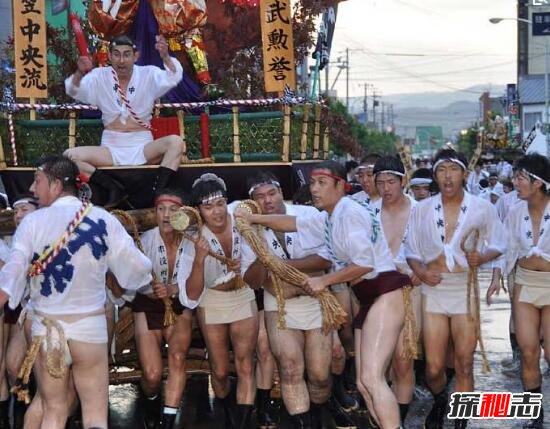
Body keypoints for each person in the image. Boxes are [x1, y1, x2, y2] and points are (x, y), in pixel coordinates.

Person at [235, 160, 411, 429]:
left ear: (341, 186)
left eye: (322, 183)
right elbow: (293, 222)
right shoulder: (331, 216)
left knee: (372, 379)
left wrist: (324, 280)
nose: (314, 189)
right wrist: (254, 219)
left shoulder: (349, 213)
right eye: (312, 183)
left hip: (384, 293)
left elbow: (365, 264)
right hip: (368, 297)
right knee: (363, 383)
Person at [0, 155, 153, 429]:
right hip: (90, 327)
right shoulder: (102, 219)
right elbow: (139, 269)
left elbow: (11, 274)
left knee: (53, 412)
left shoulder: (32, 223)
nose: (33, 189)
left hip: (48, 331)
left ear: (56, 184)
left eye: (37, 181)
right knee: (95, 413)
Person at [405, 149, 506, 429]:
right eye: (442, 170)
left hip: (464, 289)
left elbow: (499, 242)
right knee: (434, 367)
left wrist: (482, 257)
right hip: (434, 289)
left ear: (464, 174)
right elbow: (410, 250)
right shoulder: (422, 209)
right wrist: (421, 271)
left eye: (453, 169)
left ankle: (461, 420)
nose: (448, 176)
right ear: (435, 175)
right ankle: (440, 401)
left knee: (464, 363)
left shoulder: (481, 207)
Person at [243, 172, 347, 428]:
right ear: (253, 201)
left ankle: (319, 412)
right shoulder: (248, 229)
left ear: (281, 193)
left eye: (272, 193)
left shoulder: (308, 214)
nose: (268, 200)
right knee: (289, 368)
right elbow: (253, 281)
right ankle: (304, 423)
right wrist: (262, 255)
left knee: (320, 374)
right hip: (279, 305)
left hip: (315, 300)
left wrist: (279, 266)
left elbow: (325, 259)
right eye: (260, 196)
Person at [64, 34, 184, 207]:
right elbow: (74, 90)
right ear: (109, 56)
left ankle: (157, 191)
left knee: (176, 142)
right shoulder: (99, 76)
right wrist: (79, 72)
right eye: (117, 54)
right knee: (69, 156)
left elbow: (173, 76)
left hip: (142, 145)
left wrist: (165, 57)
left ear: (136, 56)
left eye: (126, 54)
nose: (121, 60)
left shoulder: (148, 74)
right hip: (111, 148)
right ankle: (112, 188)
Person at [178, 174, 258, 429]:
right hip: (211, 299)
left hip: (243, 293)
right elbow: (191, 295)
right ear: (198, 211)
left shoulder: (241, 221)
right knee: (220, 370)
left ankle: (241, 423)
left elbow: (258, 269)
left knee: (245, 364)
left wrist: (247, 264)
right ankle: (224, 411)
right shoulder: (193, 237)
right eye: (208, 206)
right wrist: (200, 259)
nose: (217, 211)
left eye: (220, 203)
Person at [488, 153, 550, 429]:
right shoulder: (515, 212)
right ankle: (535, 416)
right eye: (515, 177)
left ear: (538, 183)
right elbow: (505, 248)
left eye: (520, 178)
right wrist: (496, 278)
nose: (515, 182)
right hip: (525, 283)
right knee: (528, 351)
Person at [126, 188, 192, 429]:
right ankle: (151, 399)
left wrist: (174, 288)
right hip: (147, 304)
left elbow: (201, 278)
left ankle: (167, 422)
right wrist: (150, 289)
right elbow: (131, 279)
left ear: (183, 214)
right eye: (161, 209)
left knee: (178, 357)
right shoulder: (143, 241)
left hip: (180, 303)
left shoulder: (193, 241)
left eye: (173, 210)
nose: (166, 215)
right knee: (152, 375)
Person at [372, 156, 420, 425]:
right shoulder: (368, 211)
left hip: (409, 290)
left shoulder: (420, 211)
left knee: (403, 360)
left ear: (403, 181)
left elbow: (434, 248)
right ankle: (385, 412)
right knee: (378, 362)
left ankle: (400, 418)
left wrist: (419, 271)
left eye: (391, 181)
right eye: (380, 182)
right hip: (376, 291)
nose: (386, 188)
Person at [0, 195, 38, 428]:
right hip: (21, 309)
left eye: (24, 209)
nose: (18, 215)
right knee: (13, 366)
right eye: (15, 212)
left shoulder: (51, 235)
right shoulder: (10, 242)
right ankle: (19, 415)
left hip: (55, 312)